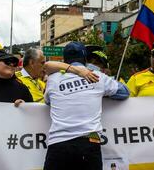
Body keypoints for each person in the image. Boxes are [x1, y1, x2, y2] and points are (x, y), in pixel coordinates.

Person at [43, 41, 129, 170]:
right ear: (85, 59)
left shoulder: (53, 79)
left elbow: (48, 101)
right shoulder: (98, 77)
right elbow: (124, 92)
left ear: (64, 60)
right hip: (89, 143)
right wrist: (101, 92)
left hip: (58, 144)